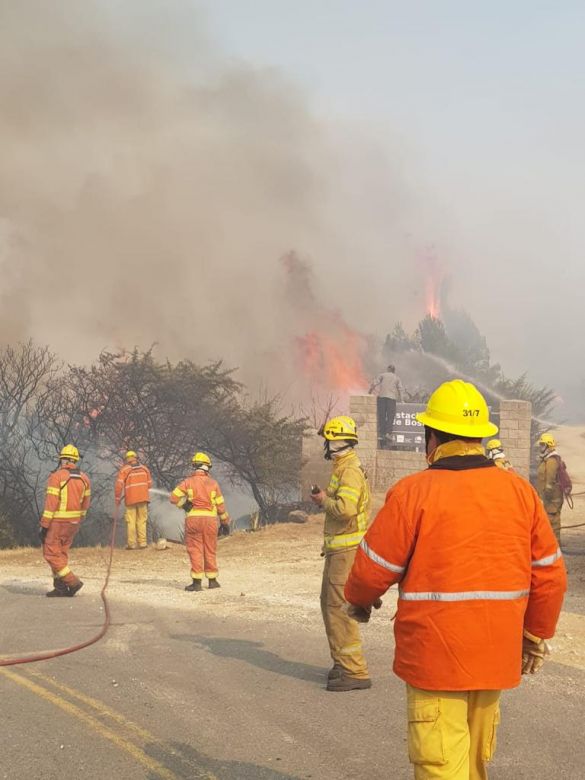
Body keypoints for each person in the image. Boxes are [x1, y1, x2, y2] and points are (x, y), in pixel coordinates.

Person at [344, 380, 566, 779]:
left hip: (435, 659)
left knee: (442, 768)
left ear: (432, 437)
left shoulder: (413, 492)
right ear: (481, 437)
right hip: (495, 656)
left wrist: (359, 600)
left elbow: (371, 568)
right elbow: (550, 574)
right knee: (474, 766)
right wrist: (533, 634)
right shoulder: (521, 493)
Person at [311, 416, 372, 692]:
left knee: (339, 608)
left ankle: (354, 670)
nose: (325, 445)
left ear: (336, 441)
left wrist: (324, 500)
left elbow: (346, 509)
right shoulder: (343, 467)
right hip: (338, 550)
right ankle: (342, 661)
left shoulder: (349, 471)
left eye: (328, 440)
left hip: (346, 551)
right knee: (329, 604)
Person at [170, 452, 231, 591]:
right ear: (207, 467)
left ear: (195, 467)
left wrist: (184, 505)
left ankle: (197, 583)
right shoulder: (213, 483)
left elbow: (173, 498)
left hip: (194, 520)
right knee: (210, 549)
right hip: (210, 521)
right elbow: (220, 506)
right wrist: (225, 523)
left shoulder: (188, 482)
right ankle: (213, 581)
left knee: (195, 549)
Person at [40, 444, 91, 597]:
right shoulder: (84, 478)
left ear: (63, 460)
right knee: (60, 554)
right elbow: (85, 504)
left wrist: (44, 525)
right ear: (75, 460)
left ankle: (72, 582)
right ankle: (60, 588)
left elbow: (51, 504)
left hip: (57, 522)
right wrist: (78, 519)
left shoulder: (57, 477)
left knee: (51, 554)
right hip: (73, 523)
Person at [115, 450, 152, 550]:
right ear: (136, 458)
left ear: (127, 459)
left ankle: (132, 544)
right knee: (142, 521)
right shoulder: (145, 469)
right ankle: (143, 543)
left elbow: (119, 485)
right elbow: (149, 485)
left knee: (131, 521)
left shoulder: (125, 470)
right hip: (143, 499)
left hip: (130, 499)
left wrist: (117, 498)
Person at [536, 433, 565, 544]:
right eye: (541, 445)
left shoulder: (552, 461)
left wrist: (545, 497)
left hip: (552, 498)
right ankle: (550, 543)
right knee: (548, 520)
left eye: (543, 445)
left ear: (549, 446)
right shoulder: (546, 459)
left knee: (553, 520)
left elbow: (550, 481)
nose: (541, 447)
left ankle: (555, 544)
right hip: (548, 497)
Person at [369, 364, 404, 449]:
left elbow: (375, 383)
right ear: (394, 370)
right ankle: (388, 433)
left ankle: (382, 433)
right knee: (390, 416)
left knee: (382, 416)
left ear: (388, 369)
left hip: (382, 398)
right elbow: (400, 389)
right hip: (391, 399)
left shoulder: (382, 375)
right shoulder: (397, 378)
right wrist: (402, 400)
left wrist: (370, 391)